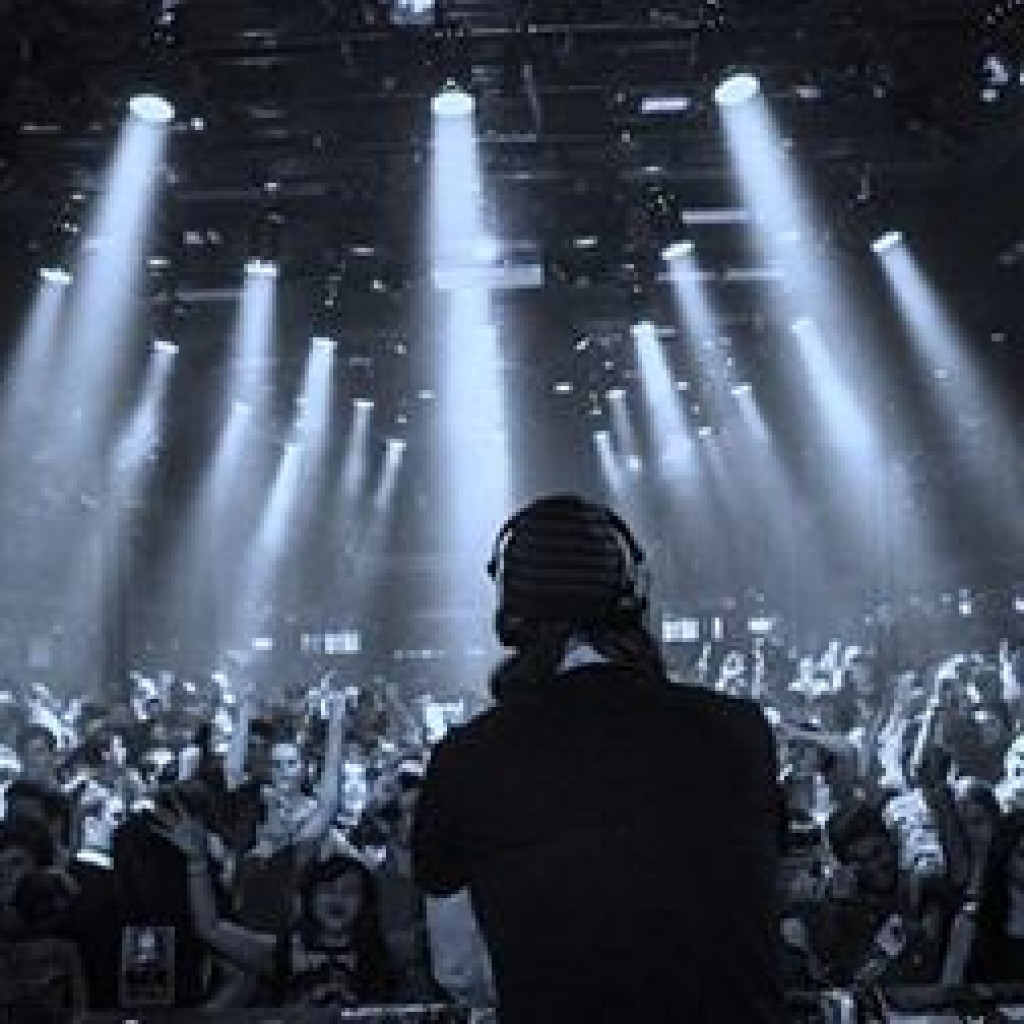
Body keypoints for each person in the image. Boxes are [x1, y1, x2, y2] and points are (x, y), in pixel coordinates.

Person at [411, 494, 786, 1023]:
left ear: (510, 609)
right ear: (633, 595)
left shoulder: (466, 759)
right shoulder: (741, 731)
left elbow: (460, 971)